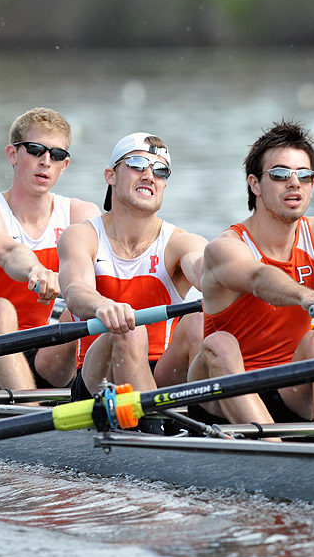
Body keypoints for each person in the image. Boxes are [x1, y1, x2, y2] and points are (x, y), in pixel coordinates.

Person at [186, 121, 314, 430]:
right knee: (218, 343)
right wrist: (305, 294)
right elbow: (259, 278)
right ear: (255, 184)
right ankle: (276, 450)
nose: (294, 183)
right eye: (279, 174)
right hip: (223, 393)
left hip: (291, 391)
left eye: (304, 175)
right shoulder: (226, 247)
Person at [0, 108, 100, 392]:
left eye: (55, 155)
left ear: (64, 165)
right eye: (35, 150)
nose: (45, 161)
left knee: (92, 309)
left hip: (46, 355)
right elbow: (8, 253)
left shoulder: (81, 214)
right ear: (13, 154)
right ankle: (35, 415)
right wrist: (36, 270)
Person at [58, 132, 206, 404]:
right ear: (110, 175)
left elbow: (203, 270)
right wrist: (102, 305)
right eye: (137, 164)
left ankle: (203, 420)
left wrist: (228, 280)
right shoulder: (82, 235)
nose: (149, 175)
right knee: (129, 330)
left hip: (162, 373)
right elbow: (75, 290)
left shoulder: (181, 242)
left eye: (161, 171)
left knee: (199, 320)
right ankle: (156, 432)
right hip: (98, 378)